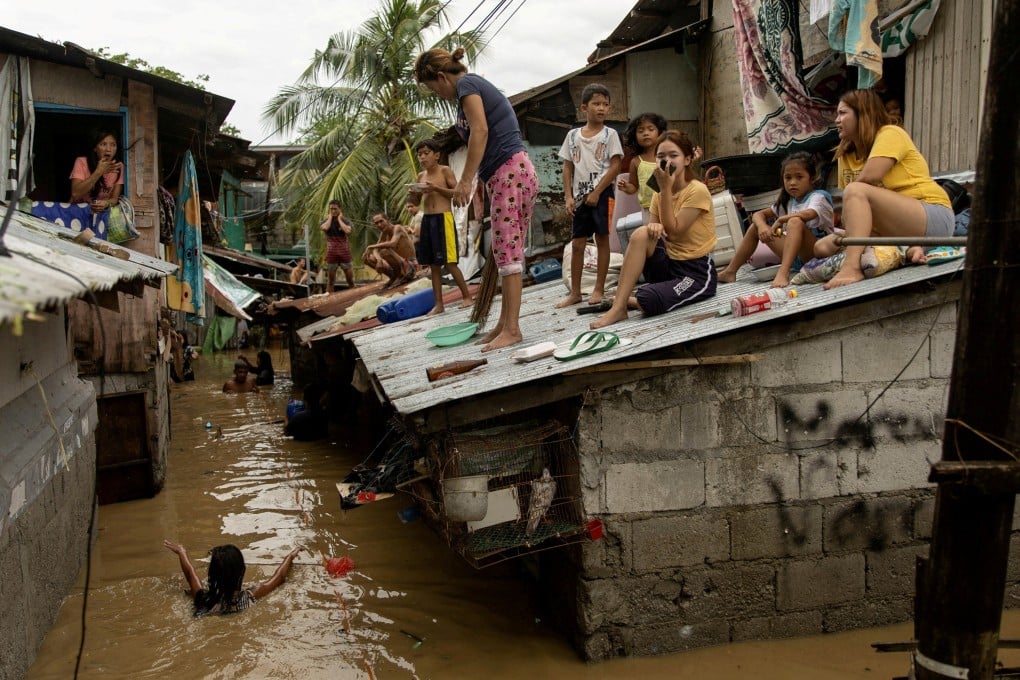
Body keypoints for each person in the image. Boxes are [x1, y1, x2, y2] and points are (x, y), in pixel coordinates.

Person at [414, 47, 539, 352]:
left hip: (510, 172)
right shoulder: (470, 88)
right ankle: (503, 324)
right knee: (504, 250)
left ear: (442, 77)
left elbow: (480, 131)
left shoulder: (467, 86)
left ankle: (512, 328)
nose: (437, 94)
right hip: (509, 173)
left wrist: (466, 180)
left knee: (508, 253)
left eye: (433, 88)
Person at [819, 89, 953, 288]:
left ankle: (852, 267)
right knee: (821, 247)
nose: (837, 120)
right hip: (892, 227)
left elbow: (868, 180)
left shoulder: (890, 133)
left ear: (863, 113)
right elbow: (850, 214)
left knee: (856, 190)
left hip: (930, 215)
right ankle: (907, 250)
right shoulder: (845, 155)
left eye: (843, 113)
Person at [591, 130, 717, 329]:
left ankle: (630, 298)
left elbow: (674, 233)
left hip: (695, 273)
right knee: (641, 233)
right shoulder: (659, 192)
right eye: (660, 157)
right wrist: (654, 223)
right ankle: (619, 307)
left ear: (688, 159)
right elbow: (655, 227)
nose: (666, 161)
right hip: (668, 264)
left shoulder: (697, 190)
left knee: (647, 299)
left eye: (673, 155)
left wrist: (665, 189)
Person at [717, 152, 836, 288]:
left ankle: (783, 273)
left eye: (799, 177)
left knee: (795, 221)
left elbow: (809, 214)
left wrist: (782, 219)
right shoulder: (788, 202)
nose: (792, 183)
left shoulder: (819, 196)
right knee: (755, 227)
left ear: (812, 178)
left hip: (818, 255)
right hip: (797, 258)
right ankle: (730, 271)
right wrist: (762, 227)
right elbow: (758, 215)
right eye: (788, 178)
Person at [555, 84, 623, 309]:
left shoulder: (610, 134)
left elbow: (615, 166)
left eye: (605, 104)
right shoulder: (572, 136)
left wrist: (597, 192)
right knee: (577, 244)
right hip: (580, 197)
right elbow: (567, 167)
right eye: (596, 104)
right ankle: (575, 292)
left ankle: (598, 289)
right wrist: (568, 197)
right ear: (584, 107)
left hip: (602, 196)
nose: (601, 108)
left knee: (602, 240)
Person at [412, 138, 474, 315]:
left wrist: (436, 189)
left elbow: (456, 192)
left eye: (426, 153)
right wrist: (414, 193)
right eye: (419, 155)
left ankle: (467, 296)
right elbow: (415, 201)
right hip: (427, 220)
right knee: (433, 264)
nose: (422, 157)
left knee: (450, 262)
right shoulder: (420, 176)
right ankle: (439, 304)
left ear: (436, 155)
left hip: (444, 218)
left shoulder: (445, 171)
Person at [163, 540, 301, 617]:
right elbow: (280, 577)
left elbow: (189, 573)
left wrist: (181, 552)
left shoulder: (202, 598)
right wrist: (290, 556)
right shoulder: (251, 596)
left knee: (188, 593)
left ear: (211, 574)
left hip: (204, 618)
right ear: (242, 571)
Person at [616, 112, 669, 224]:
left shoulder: (667, 157)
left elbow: (680, 176)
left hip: (670, 204)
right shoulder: (636, 162)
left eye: (650, 129)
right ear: (634, 136)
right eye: (641, 131)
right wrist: (626, 187)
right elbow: (634, 187)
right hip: (648, 208)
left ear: (660, 133)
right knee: (652, 237)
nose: (646, 133)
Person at [70, 129, 124, 213]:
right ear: (95, 148)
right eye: (103, 144)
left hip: (101, 214)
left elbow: (114, 199)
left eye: (113, 145)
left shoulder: (118, 167)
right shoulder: (82, 162)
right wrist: (99, 172)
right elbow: (75, 194)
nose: (108, 149)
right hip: (77, 213)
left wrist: (106, 203)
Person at [363, 213, 418, 288]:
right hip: (399, 265)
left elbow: (392, 244)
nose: (379, 225)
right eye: (376, 223)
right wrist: (379, 260)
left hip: (410, 266)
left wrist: (370, 246)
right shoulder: (384, 233)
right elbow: (376, 250)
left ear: (388, 220)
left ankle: (402, 276)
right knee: (367, 258)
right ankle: (394, 277)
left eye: (381, 221)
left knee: (385, 251)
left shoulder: (397, 228)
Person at [320, 201, 355, 293]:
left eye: (335, 209)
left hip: (344, 253)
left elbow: (347, 231)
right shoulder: (326, 221)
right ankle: (329, 300)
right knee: (330, 281)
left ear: (340, 209)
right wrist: (330, 218)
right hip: (331, 254)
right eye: (331, 209)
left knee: (350, 281)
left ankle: (354, 298)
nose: (333, 211)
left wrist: (339, 219)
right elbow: (325, 228)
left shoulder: (345, 220)